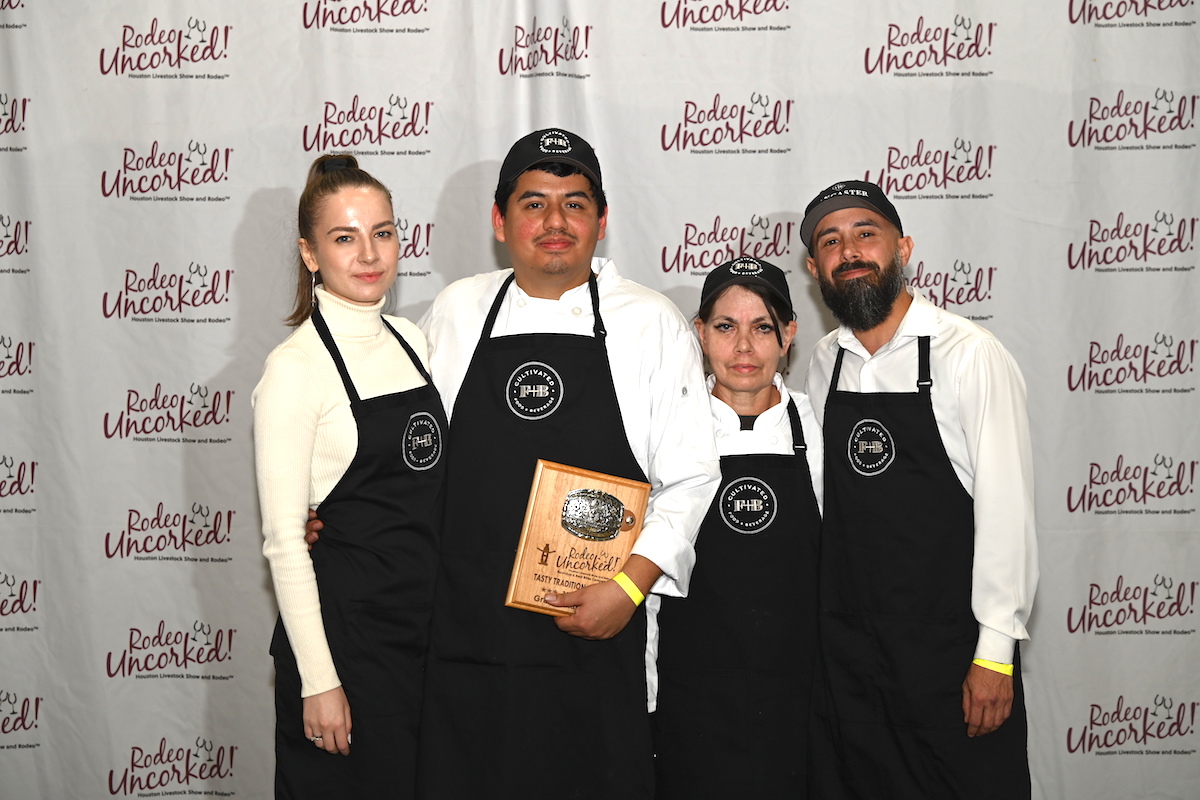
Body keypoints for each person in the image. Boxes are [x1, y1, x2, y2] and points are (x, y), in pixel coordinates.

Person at [415, 128, 719, 799]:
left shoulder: (649, 322)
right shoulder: (457, 313)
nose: (555, 222)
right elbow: (412, 466)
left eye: (575, 204)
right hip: (468, 650)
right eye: (533, 203)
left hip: (597, 649)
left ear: (602, 220)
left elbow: (692, 477)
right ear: (500, 221)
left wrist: (631, 589)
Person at [800, 180, 1037, 799]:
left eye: (865, 235)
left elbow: (1005, 513)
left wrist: (994, 654)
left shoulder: (969, 355)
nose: (849, 251)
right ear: (813, 267)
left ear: (903, 248)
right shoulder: (825, 360)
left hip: (950, 664)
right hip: (850, 665)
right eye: (831, 241)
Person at [253, 154, 446, 799]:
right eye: (345, 237)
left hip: (422, 641)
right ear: (310, 255)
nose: (369, 254)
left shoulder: (410, 340)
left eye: (383, 232)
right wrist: (318, 680)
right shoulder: (295, 370)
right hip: (345, 651)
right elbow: (285, 539)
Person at [651, 257, 823, 798]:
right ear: (699, 333)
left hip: (800, 707)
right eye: (726, 327)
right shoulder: (666, 430)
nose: (744, 348)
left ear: (789, 335)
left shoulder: (818, 428)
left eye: (763, 327)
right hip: (691, 704)